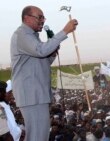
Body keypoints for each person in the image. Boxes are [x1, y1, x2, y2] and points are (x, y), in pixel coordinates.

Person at [10, 5, 78, 141]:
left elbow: (43, 61)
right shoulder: (22, 34)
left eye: (43, 17)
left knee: (40, 136)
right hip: (32, 95)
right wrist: (64, 31)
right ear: (27, 18)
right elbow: (41, 50)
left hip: (36, 95)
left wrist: (52, 52)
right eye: (39, 17)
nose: (43, 20)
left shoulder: (32, 37)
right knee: (37, 137)